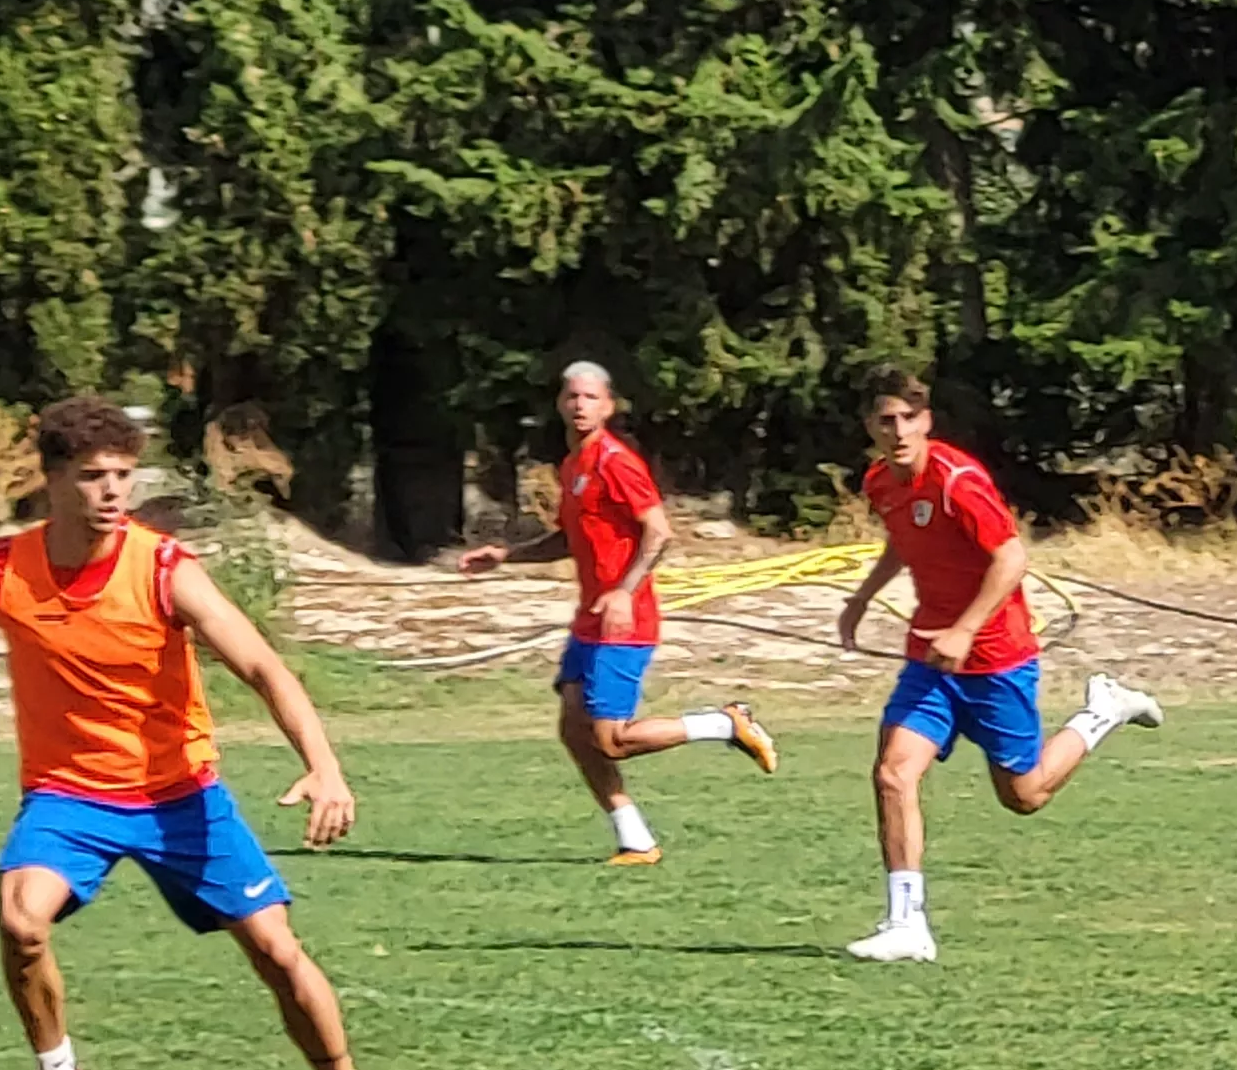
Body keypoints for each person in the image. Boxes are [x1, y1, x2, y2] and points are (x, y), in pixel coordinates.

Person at [0, 396, 394, 1070]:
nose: (112, 493)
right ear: (53, 478)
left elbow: (264, 667)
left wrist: (323, 764)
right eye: (93, 476)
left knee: (276, 952)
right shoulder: (2, 571)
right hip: (69, 800)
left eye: (124, 477)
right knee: (20, 918)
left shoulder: (164, 568)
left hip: (181, 796)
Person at [830, 370, 1162, 962]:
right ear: (870, 426)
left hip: (995, 659)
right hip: (931, 661)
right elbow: (901, 543)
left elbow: (1012, 558)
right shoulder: (881, 481)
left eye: (910, 418)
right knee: (893, 774)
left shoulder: (959, 481)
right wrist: (860, 597)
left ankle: (1101, 712)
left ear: (927, 421)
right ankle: (907, 923)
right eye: (887, 420)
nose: (899, 430)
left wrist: (965, 630)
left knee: (1025, 795)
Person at [457, 358, 777, 862]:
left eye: (590, 397)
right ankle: (636, 839)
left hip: (624, 623)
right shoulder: (574, 466)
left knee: (613, 740)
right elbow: (569, 537)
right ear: (561, 404)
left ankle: (723, 723)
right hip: (591, 620)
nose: (580, 405)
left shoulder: (615, 461)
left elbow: (659, 531)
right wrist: (506, 556)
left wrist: (626, 590)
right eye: (572, 396)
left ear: (607, 406)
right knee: (574, 731)